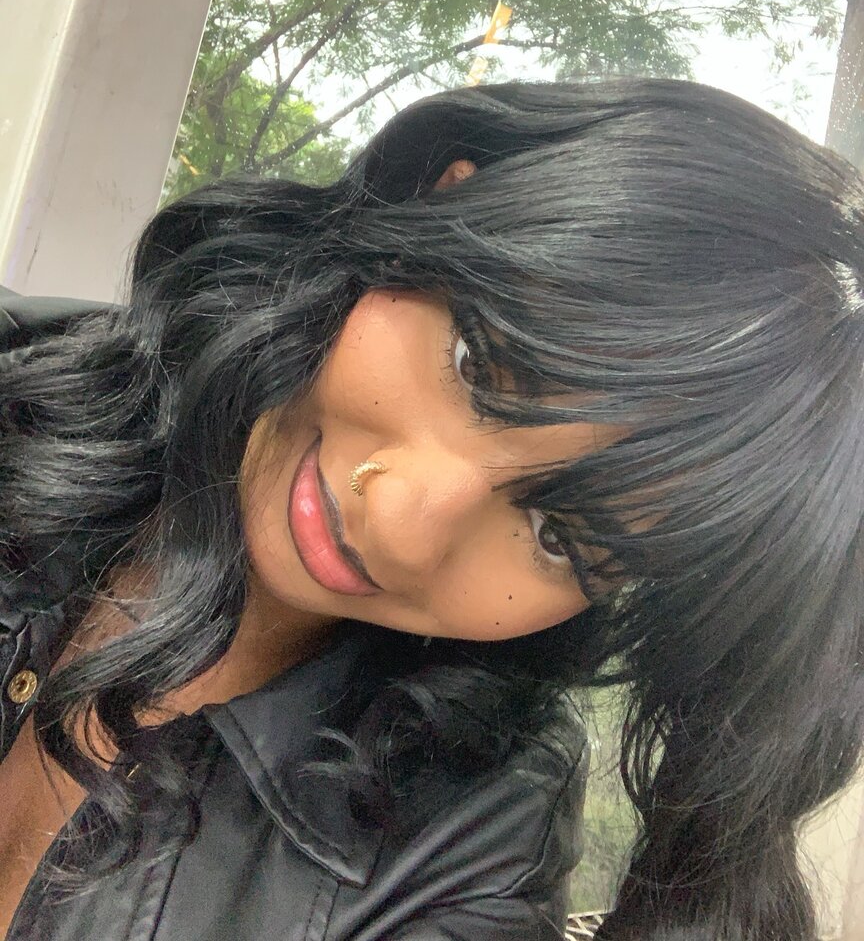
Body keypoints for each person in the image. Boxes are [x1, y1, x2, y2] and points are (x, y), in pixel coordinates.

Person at [0, 77, 861, 941]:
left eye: (558, 538)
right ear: (439, 200)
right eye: (477, 366)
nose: (400, 527)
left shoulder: (477, 837)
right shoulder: (20, 385)